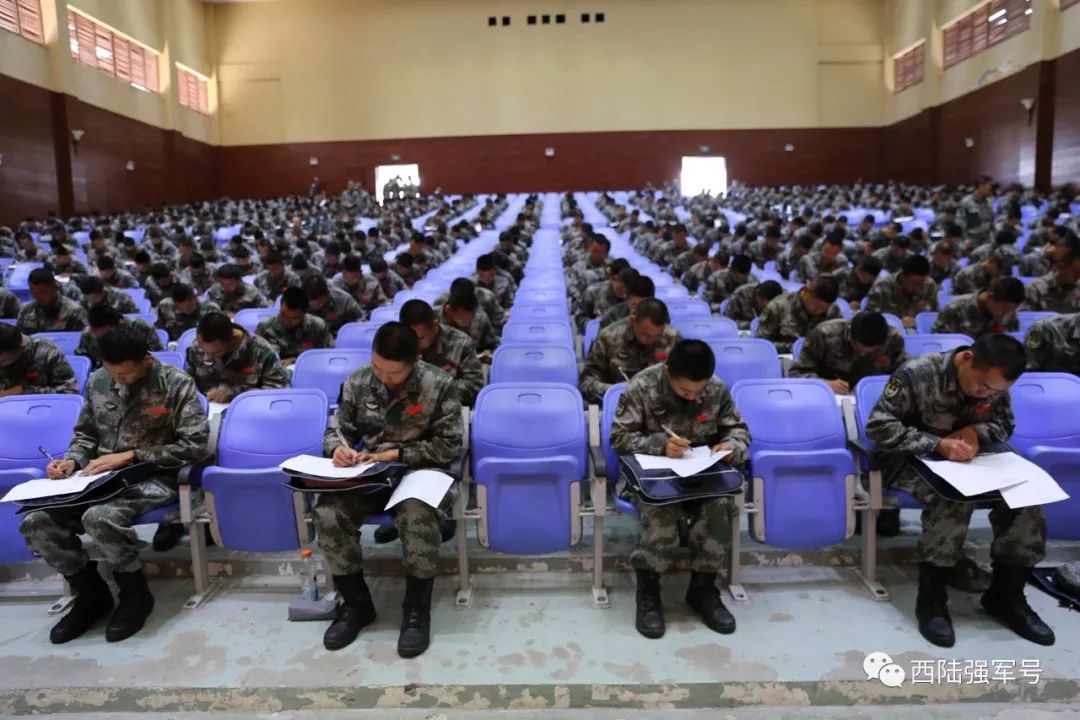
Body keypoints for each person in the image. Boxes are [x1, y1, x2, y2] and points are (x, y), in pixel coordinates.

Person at [19, 326, 209, 644]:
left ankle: (135, 593)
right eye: (112, 373)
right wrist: (71, 462)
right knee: (36, 521)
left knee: (99, 517)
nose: (118, 380)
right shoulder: (99, 381)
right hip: (98, 477)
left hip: (151, 476)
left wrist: (131, 455)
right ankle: (91, 594)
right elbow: (86, 435)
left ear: (146, 360)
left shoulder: (176, 384)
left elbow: (195, 446)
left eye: (126, 373)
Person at [866, 334, 1054, 647]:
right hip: (909, 458)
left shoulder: (995, 383)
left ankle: (1006, 596)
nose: (985, 394)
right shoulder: (918, 373)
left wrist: (975, 432)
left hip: (971, 459)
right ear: (967, 359)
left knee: (1027, 496)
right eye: (982, 386)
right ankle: (932, 600)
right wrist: (936, 444)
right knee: (952, 498)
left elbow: (1004, 425)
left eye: (994, 391)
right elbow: (878, 427)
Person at [314, 322, 463, 656]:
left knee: (416, 515)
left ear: (415, 362)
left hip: (421, 472)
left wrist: (395, 454)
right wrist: (338, 449)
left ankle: (416, 611)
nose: (383, 377)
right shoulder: (357, 382)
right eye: (377, 367)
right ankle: (356, 605)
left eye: (394, 373)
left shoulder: (439, 385)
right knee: (328, 511)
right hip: (370, 474)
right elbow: (336, 431)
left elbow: (450, 445)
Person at [610, 340, 751, 638]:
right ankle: (649, 592)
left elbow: (738, 430)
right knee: (661, 508)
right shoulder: (642, 386)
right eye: (686, 391)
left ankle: (703, 589)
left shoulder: (717, 388)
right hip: (652, 476)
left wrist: (730, 446)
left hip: (701, 473)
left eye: (699, 391)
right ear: (667, 372)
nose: (694, 396)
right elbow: (619, 438)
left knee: (719, 506)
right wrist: (660, 445)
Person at [580, 299, 680, 404]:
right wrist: (618, 390)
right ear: (633, 320)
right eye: (645, 334)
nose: (650, 340)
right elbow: (586, 383)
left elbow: (684, 379)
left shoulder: (672, 338)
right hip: (618, 403)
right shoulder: (609, 337)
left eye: (657, 335)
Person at [788, 312, 906, 395]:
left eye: (871, 351)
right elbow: (796, 373)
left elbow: (904, 375)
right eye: (858, 348)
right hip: (829, 397)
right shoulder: (825, 334)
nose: (863, 354)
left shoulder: (893, 339)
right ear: (850, 336)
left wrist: (878, 387)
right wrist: (824, 384)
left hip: (873, 397)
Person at [186, 311, 289, 403]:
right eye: (201, 347)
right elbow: (188, 381)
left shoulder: (261, 351)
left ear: (233, 340)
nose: (207, 355)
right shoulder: (199, 346)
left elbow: (279, 389)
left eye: (216, 352)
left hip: (246, 409)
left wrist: (235, 395)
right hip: (203, 407)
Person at [400, 299, 485, 406]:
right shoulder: (398, 344)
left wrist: (437, 390)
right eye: (410, 339)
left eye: (421, 338)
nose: (415, 344)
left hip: (448, 407)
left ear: (435, 325)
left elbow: (475, 385)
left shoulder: (460, 343)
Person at [755, 275, 842, 353]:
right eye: (816, 306)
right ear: (806, 291)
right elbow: (761, 344)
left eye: (823, 309)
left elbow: (839, 342)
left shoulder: (833, 310)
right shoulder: (779, 306)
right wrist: (793, 347)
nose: (819, 312)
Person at [255, 287, 334, 365]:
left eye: (294, 318)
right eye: (283, 315)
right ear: (280, 307)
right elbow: (257, 360)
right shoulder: (265, 327)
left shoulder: (318, 327)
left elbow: (329, 357)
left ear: (304, 314)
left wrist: (297, 361)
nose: (287, 321)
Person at [0, 324, 79, 396]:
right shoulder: (8, 354)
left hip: (42, 404)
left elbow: (69, 391)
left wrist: (25, 391)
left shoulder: (47, 353)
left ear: (20, 348)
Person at [932, 277, 1023, 339]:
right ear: (990, 297)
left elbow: (1010, 341)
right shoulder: (955, 308)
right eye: (1005, 308)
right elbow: (942, 341)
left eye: (1012, 309)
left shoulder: (1009, 312)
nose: (1007, 313)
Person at [865, 255, 939, 329]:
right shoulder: (882, 287)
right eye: (915, 283)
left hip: (918, 331)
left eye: (922, 282)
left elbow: (935, 316)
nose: (918, 287)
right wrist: (898, 322)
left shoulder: (929, 285)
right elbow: (869, 320)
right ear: (903, 276)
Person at [77, 305, 164, 366]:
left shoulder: (139, 327)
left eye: (98, 329)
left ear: (117, 324)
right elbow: (83, 358)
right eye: (92, 329)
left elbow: (157, 354)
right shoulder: (88, 334)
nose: (93, 332)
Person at [16, 268, 88, 334]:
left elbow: (87, 338)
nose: (37, 296)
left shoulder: (74, 311)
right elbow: (18, 338)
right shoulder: (26, 310)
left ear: (55, 288)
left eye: (42, 292)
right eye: (33, 292)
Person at [437, 280, 500, 355]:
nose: (469, 321)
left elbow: (493, 344)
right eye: (462, 318)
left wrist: (488, 354)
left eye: (472, 316)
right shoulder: (433, 319)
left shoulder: (480, 318)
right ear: (449, 310)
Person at [1023, 245, 1080, 313]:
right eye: (1076, 272)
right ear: (1061, 267)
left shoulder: (1078, 288)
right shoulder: (1034, 289)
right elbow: (1024, 316)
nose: (1078, 277)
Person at [155, 284, 221, 342]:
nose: (188, 311)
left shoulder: (211, 310)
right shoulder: (165, 307)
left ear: (195, 298)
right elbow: (159, 331)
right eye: (181, 308)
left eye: (190, 307)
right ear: (175, 304)